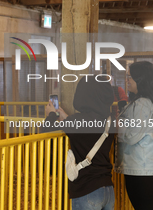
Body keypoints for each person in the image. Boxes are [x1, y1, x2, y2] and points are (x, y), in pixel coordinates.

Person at [45, 76, 115, 210]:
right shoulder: (110, 121)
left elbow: (46, 132)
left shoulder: (77, 121)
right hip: (108, 190)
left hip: (86, 190)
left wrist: (51, 116)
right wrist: (65, 117)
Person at [115, 61, 153, 209]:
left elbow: (132, 135)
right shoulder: (146, 102)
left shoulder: (142, 104)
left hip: (140, 169)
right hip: (144, 167)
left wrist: (119, 126)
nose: (127, 80)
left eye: (130, 77)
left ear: (141, 79)